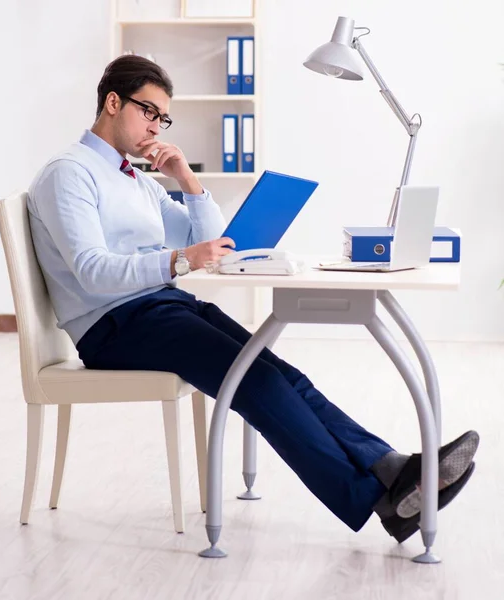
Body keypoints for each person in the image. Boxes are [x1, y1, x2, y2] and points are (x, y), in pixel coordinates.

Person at [27, 55, 479, 543]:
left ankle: (390, 466)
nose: (155, 128)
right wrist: (180, 260)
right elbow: (93, 272)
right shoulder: (67, 173)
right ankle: (376, 501)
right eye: (149, 112)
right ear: (113, 102)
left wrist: (187, 179)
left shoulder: (137, 179)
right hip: (113, 326)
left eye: (163, 118)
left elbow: (218, 244)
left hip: (161, 307)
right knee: (257, 385)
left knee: (280, 373)